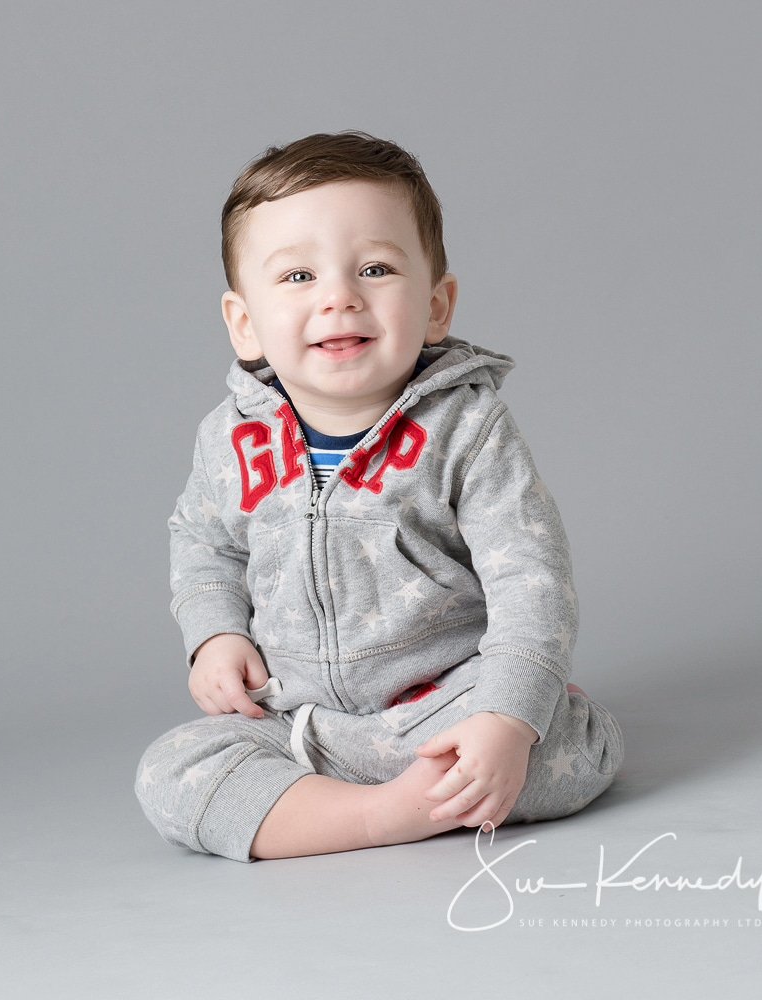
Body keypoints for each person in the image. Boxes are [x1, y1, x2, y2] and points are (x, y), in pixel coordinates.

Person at [134, 131, 624, 863]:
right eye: (298, 277)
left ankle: (475, 756)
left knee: (560, 747)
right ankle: (380, 815)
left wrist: (508, 716)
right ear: (244, 323)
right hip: (303, 723)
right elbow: (205, 544)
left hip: (446, 701)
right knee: (170, 775)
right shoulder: (229, 437)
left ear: (435, 305)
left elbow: (533, 579)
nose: (339, 297)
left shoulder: (466, 426)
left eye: (374, 268)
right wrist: (214, 634)